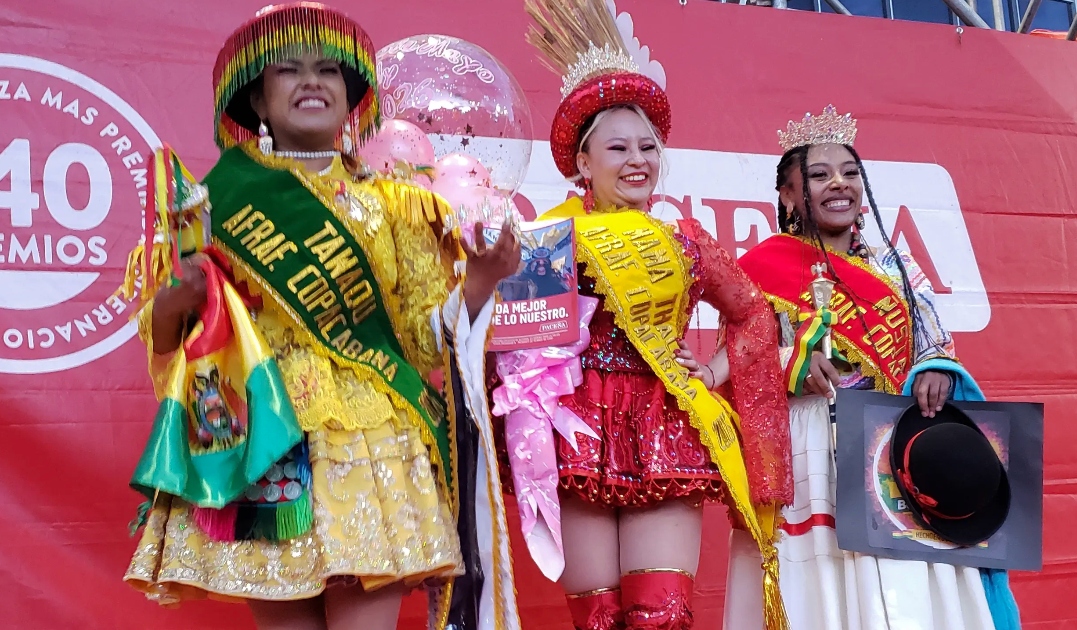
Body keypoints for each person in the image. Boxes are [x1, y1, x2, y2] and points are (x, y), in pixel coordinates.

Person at [122, 4, 522, 629]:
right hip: (267, 434)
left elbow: (424, 341)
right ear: (257, 97)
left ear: (351, 94)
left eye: (329, 70)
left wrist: (480, 280)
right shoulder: (213, 204)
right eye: (289, 68)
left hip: (373, 439)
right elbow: (171, 338)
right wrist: (177, 296)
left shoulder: (396, 206)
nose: (312, 81)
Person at [504, 2, 793, 629]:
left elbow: (756, 315)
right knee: (599, 620)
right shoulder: (549, 239)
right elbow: (514, 351)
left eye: (648, 147)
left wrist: (712, 374)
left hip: (664, 424)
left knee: (658, 616)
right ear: (583, 162)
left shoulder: (685, 240)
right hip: (577, 431)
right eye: (618, 148)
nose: (638, 160)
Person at [679, 105, 1020, 630]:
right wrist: (794, 361)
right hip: (809, 445)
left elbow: (932, 337)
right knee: (823, 583)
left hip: (890, 439)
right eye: (819, 175)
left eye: (850, 173)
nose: (839, 183)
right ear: (790, 195)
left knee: (907, 586)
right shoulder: (763, 266)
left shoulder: (894, 265)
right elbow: (742, 358)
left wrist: (935, 368)